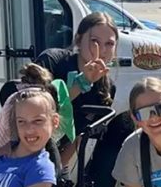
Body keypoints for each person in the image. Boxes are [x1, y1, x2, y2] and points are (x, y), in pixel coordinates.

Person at [35, 12, 116, 165]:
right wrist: (81, 84)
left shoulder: (106, 89)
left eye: (109, 44)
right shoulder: (52, 61)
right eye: (94, 41)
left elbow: (79, 135)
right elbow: (36, 111)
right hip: (20, 147)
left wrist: (59, 168)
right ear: (78, 40)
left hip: (55, 155)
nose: (102, 49)